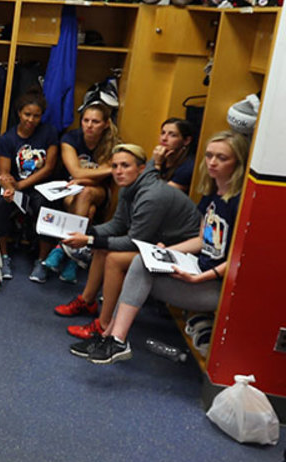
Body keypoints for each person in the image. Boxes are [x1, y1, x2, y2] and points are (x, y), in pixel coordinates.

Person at [73, 132, 247, 363]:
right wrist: (169, 251)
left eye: (222, 158)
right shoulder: (212, 196)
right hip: (195, 267)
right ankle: (111, 337)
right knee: (140, 261)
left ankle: (113, 338)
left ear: (238, 162)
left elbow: (242, 257)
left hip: (217, 286)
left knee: (131, 264)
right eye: (209, 156)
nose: (212, 162)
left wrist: (203, 277)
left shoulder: (241, 202)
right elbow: (201, 240)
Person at [53, 144, 200, 341]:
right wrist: (87, 232)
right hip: (158, 244)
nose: (118, 171)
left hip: (185, 254)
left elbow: (133, 241)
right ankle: (87, 301)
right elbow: (117, 225)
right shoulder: (129, 189)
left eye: (125, 166)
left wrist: (87, 240)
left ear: (141, 169)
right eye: (114, 166)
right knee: (102, 245)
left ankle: (103, 325)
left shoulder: (152, 195)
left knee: (114, 258)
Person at [43, 103, 119, 282]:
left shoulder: (113, 145)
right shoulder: (71, 138)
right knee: (88, 209)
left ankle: (62, 247)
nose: (89, 125)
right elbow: (76, 173)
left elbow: (89, 178)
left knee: (86, 193)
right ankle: (74, 260)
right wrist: (106, 171)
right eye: (86, 120)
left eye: (95, 122)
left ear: (106, 124)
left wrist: (84, 178)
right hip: (72, 190)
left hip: (99, 192)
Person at [0, 93, 60, 282]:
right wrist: (9, 188)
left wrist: (20, 185)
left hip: (40, 186)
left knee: (48, 208)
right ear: (19, 113)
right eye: (27, 114)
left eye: (36, 116)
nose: (31, 119)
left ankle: (42, 261)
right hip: (15, 184)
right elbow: (3, 173)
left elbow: (48, 168)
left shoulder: (49, 133)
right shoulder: (8, 138)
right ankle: (3, 257)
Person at [152, 118, 196, 192]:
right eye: (163, 133)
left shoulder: (188, 167)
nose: (164, 138)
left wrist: (157, 164)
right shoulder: (161, 157)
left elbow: (159, 194)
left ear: (186, 141)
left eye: (172, 135)